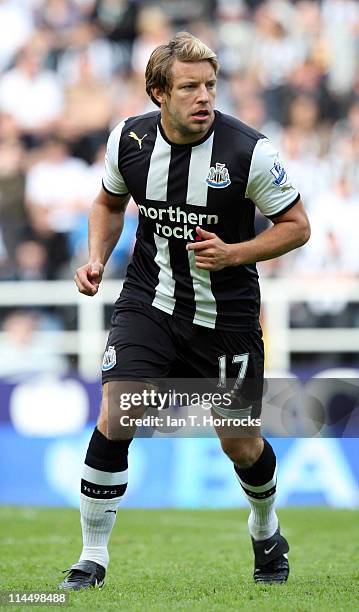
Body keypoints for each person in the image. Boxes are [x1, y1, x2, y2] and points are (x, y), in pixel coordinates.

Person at [59, 32, 310, 590]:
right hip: (150, 301)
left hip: (228, 319)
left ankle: (266, 530)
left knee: (240, 444)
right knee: (117, 412)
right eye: (190, 87)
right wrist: (97, 258)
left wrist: (235, 253)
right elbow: (108, 201)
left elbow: (298, 227)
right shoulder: (128, 139)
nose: (204, 97)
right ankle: (91, 557)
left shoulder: (251, 152)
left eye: (211, 86)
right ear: (158, 93)